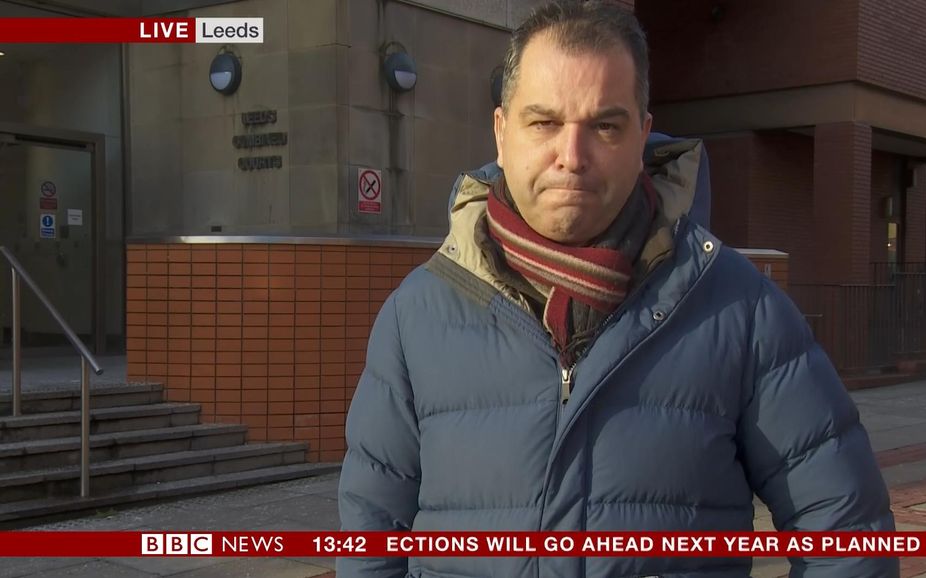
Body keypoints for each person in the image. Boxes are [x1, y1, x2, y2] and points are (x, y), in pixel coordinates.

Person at [338, 1, 897, 577]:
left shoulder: (740, 311)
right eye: (544, 122)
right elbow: (370, 536)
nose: (571, 157)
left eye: (604, 126)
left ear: (642, 135)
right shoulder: (417, 316)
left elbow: (846, 533)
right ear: (502, 133)